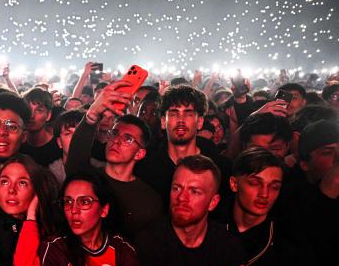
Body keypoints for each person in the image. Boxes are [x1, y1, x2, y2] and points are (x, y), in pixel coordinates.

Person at [67, 84, 163, 238]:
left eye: (128, 139)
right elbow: (75, 162)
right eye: (114, 133)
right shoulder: (90, 180)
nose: (117, 141)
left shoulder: (149, 200)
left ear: (139, 153)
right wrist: (92, 114)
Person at [135, 85, 232, 210]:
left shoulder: (220, 168)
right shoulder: (144, 169)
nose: (181, 120)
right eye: (174, 114)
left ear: (200, 122)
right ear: (163, 122)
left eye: (188, 114)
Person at [20, 88, 61, 167]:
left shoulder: (58, 147)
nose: (32, 116)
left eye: (39, 110)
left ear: (48, 115)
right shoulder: (17, 145)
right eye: (28, 109)